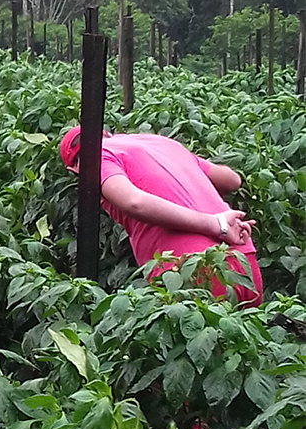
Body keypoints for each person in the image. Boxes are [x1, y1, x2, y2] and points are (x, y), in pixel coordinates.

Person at [59, 124, 262, 304]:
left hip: (191, 265)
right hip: (243, 259)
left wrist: (216, 224)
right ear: (109, 134)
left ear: (74, 169)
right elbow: (232, 180)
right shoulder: (160, 143)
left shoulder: (95, 159)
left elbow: (133, 201)